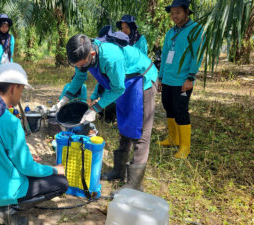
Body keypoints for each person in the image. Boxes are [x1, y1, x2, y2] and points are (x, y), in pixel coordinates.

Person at [0, 63, 68, 225]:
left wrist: (25, 155)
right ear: (14, 87)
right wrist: (56, 169)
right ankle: (6, 209)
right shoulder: (10, 121)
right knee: (61, 183)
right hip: (2, 192)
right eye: (22, 89)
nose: (21, 94)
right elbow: (27, 168)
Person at [58, 32, 158, 193]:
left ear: (91, 54)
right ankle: (118, 171)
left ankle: (134, 184)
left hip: (141, 80)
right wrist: (64, 99)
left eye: (80, 64)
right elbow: (79, 78)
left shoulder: (111, 58)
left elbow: (118, 88)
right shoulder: (85, 56)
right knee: (125, 124)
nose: (79, 67)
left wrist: (95, 109)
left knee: (139, 131)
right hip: (123, 82)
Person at [158, 0, 204, 159]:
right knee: (168, 107)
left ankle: (185, 147)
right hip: (168, 79)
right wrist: (160, 77)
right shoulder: (170, 32)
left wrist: (190, 77)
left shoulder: (196, 30)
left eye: (177, 12)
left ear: (186, 11)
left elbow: (197, 55)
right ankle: (172, 139)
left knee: (180, 111)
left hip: (182, 80)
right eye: (172, 13)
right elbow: (164, 56)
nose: (174, 16)